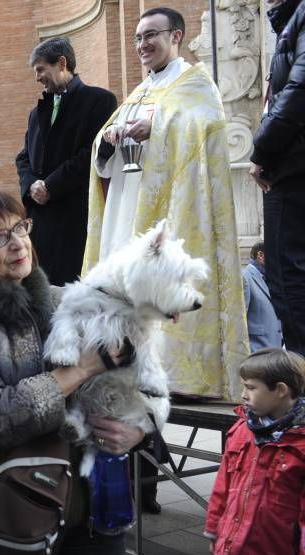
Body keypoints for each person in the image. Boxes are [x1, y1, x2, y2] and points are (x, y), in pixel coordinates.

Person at [0, 190, 145, 555]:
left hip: (95, 509)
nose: (17, 243)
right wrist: (80, 369)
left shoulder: (68, 301)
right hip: (8, 514)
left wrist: (138, 429)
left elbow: (139, 378)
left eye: (20, 228)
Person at [86, 7, 248, 401]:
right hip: (129, 206)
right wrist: (107, 141)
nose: (142, 45)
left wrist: (156, 128)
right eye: (138, 38)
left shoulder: (196, 85)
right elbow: (103, 144)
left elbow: (204, 130)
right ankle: (121, 363)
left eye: (150, 36)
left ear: (175, 37)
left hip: (172, 216)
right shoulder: (139, 92)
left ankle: (175, 373)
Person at [15, 37, 117, 286]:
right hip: (39, 221)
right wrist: (32, 186)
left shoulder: (100, 101)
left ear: (62, 63)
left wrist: (50, 186)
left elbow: (90, 153)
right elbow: (23, 158)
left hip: (74, 218)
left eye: (41, 69)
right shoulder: (36, 113)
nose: (37, 77)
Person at [204, 348, 305, 555]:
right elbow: (224, 484)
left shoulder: (300, 442)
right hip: (243, 548)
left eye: (251, 387)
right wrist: (214, 527)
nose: (243, 395)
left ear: (280, 390)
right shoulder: (243, 429)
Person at [248, 0, 305, 357]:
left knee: (287, 277)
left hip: (291, 165)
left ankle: (299, 381)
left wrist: (262, 151)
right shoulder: (289, 20)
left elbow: (298, 92)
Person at [242, 241, 283, 352]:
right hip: (257, 352)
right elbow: (240, 319)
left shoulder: (270, 278)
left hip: (275, 351)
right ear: (260, 255)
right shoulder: (245, 277)